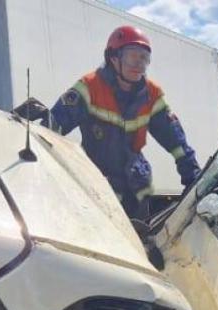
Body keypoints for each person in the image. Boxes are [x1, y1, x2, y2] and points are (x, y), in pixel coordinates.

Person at [14, 25, 200, 219]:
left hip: (137, 191)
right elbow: (54, 128)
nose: (138, 64)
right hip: (98, 191)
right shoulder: (89, 87)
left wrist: (192, 176)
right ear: (113, 57)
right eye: (132, 57)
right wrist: (30, 130)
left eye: (144, 58)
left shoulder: (151, 94)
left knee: (140, 247)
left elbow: (176, 140)